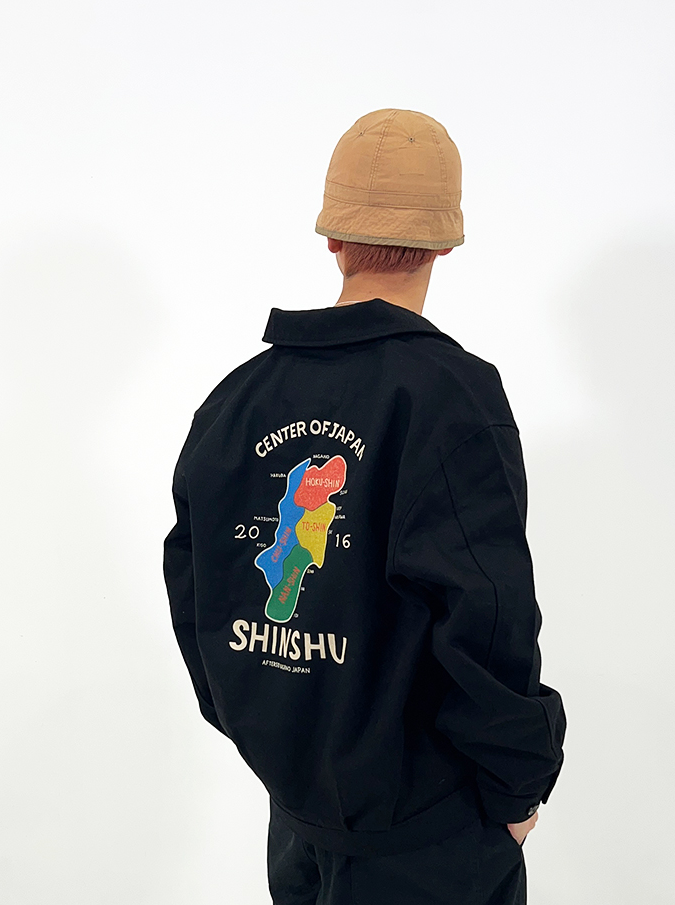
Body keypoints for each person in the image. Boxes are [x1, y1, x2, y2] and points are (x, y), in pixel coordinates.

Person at [163, 108, 566, 905]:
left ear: (332, 240)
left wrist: (273, 742)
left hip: (297, 828)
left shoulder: (238, 399)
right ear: (445, 243)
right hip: (430, 840)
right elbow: (488, 617)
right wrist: (519, 786)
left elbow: (195, 588)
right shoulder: (453, 398)